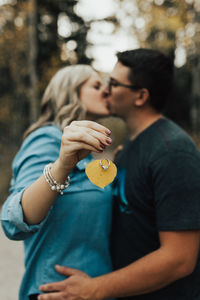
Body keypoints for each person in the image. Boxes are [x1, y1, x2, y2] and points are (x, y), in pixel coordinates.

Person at [38, 49, 200, 300]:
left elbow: (180, 258)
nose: (106, 89)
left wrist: (95, 288)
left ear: (140, 96)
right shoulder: (130, 147)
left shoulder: (173, 153)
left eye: (113, 83)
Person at [1, 64, 114, 300]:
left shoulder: (89, 151)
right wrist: (62, 165)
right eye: (96, 85)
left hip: (95, 290)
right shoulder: (47, 139)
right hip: (55, 291)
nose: (106, 90)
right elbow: (14, 220)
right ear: (70, 91)